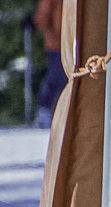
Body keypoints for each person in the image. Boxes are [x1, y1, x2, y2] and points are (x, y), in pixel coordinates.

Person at [33, 0, 67, 129]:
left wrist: (37, 23)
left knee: (59, 78)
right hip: (58, 42)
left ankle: (48, 112)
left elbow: (44, 13)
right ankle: (44, 113)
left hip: (62, 42)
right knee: (56, 78)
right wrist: (37, 23)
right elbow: (44, 13)